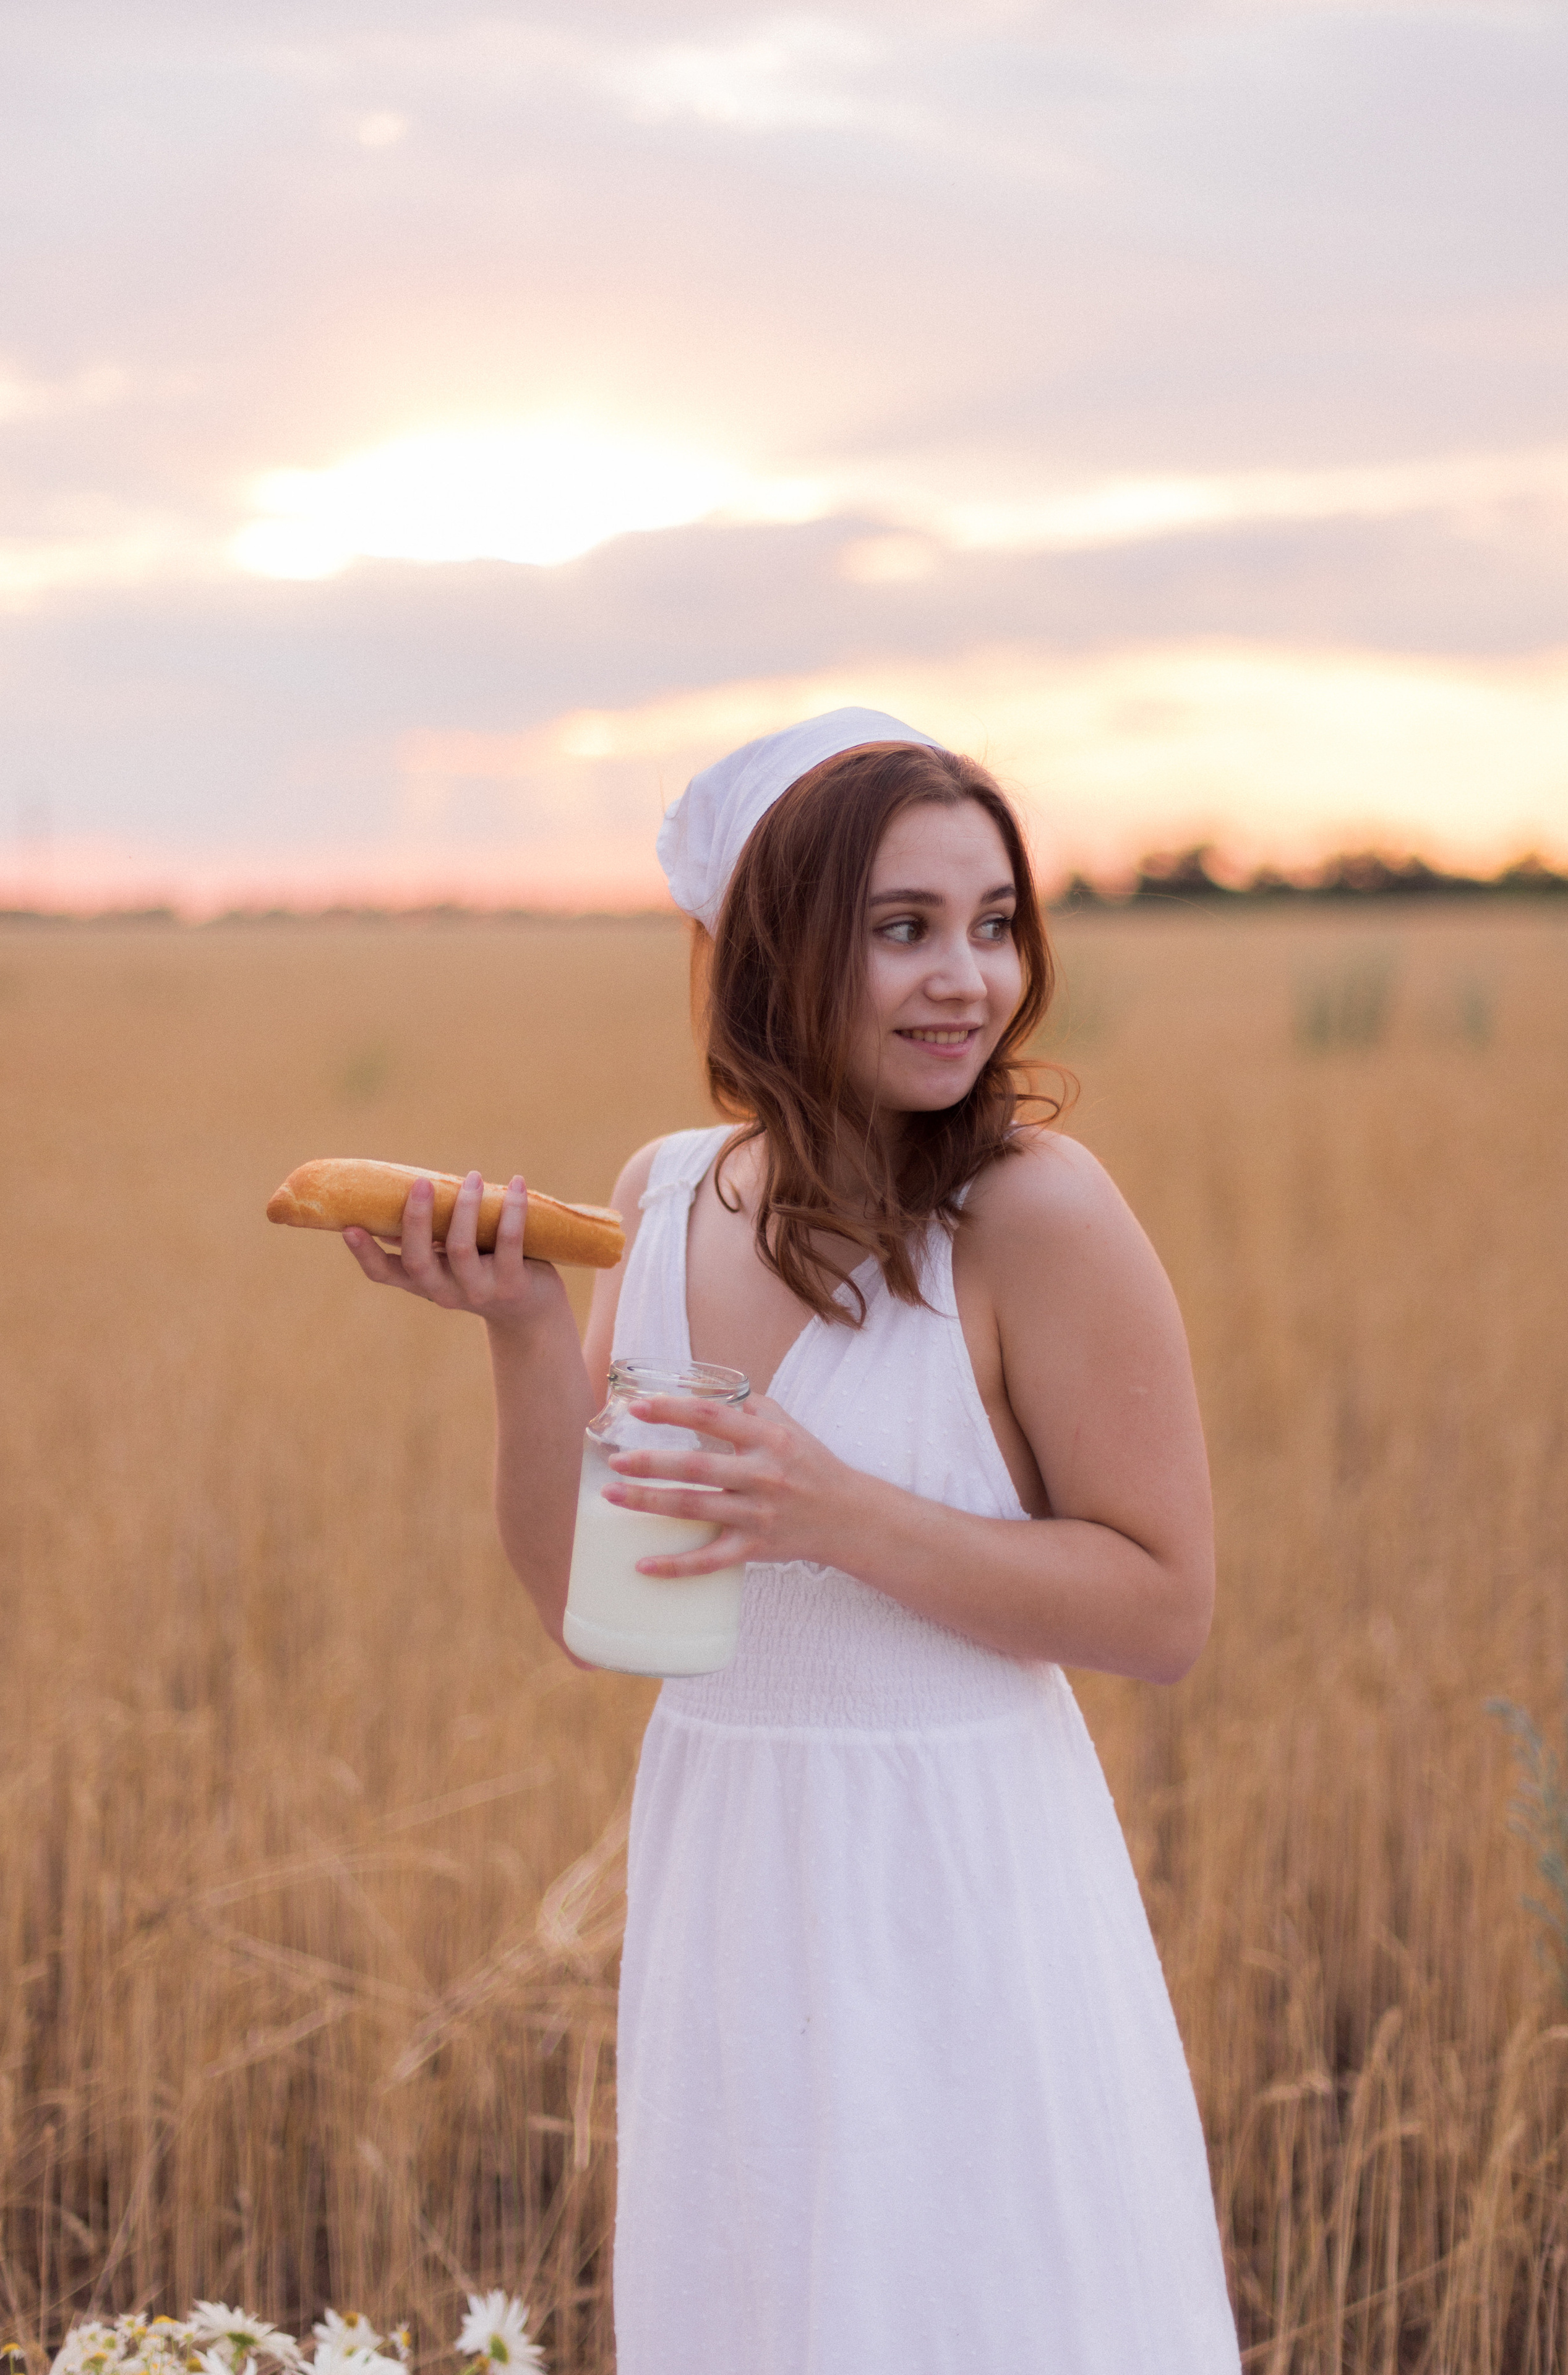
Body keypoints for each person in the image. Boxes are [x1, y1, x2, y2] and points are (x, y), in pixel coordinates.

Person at [343, 710, 1241, 2374]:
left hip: (961, 1878)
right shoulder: (665, 1197)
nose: (968, 978)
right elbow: (601, 1616)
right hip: (732, 1877)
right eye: (904, 928)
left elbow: (1164, 1609)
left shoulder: (1036, 1213)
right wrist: (524, 1334)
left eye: (993, 924)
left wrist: (838, 1511)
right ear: (775, 948)